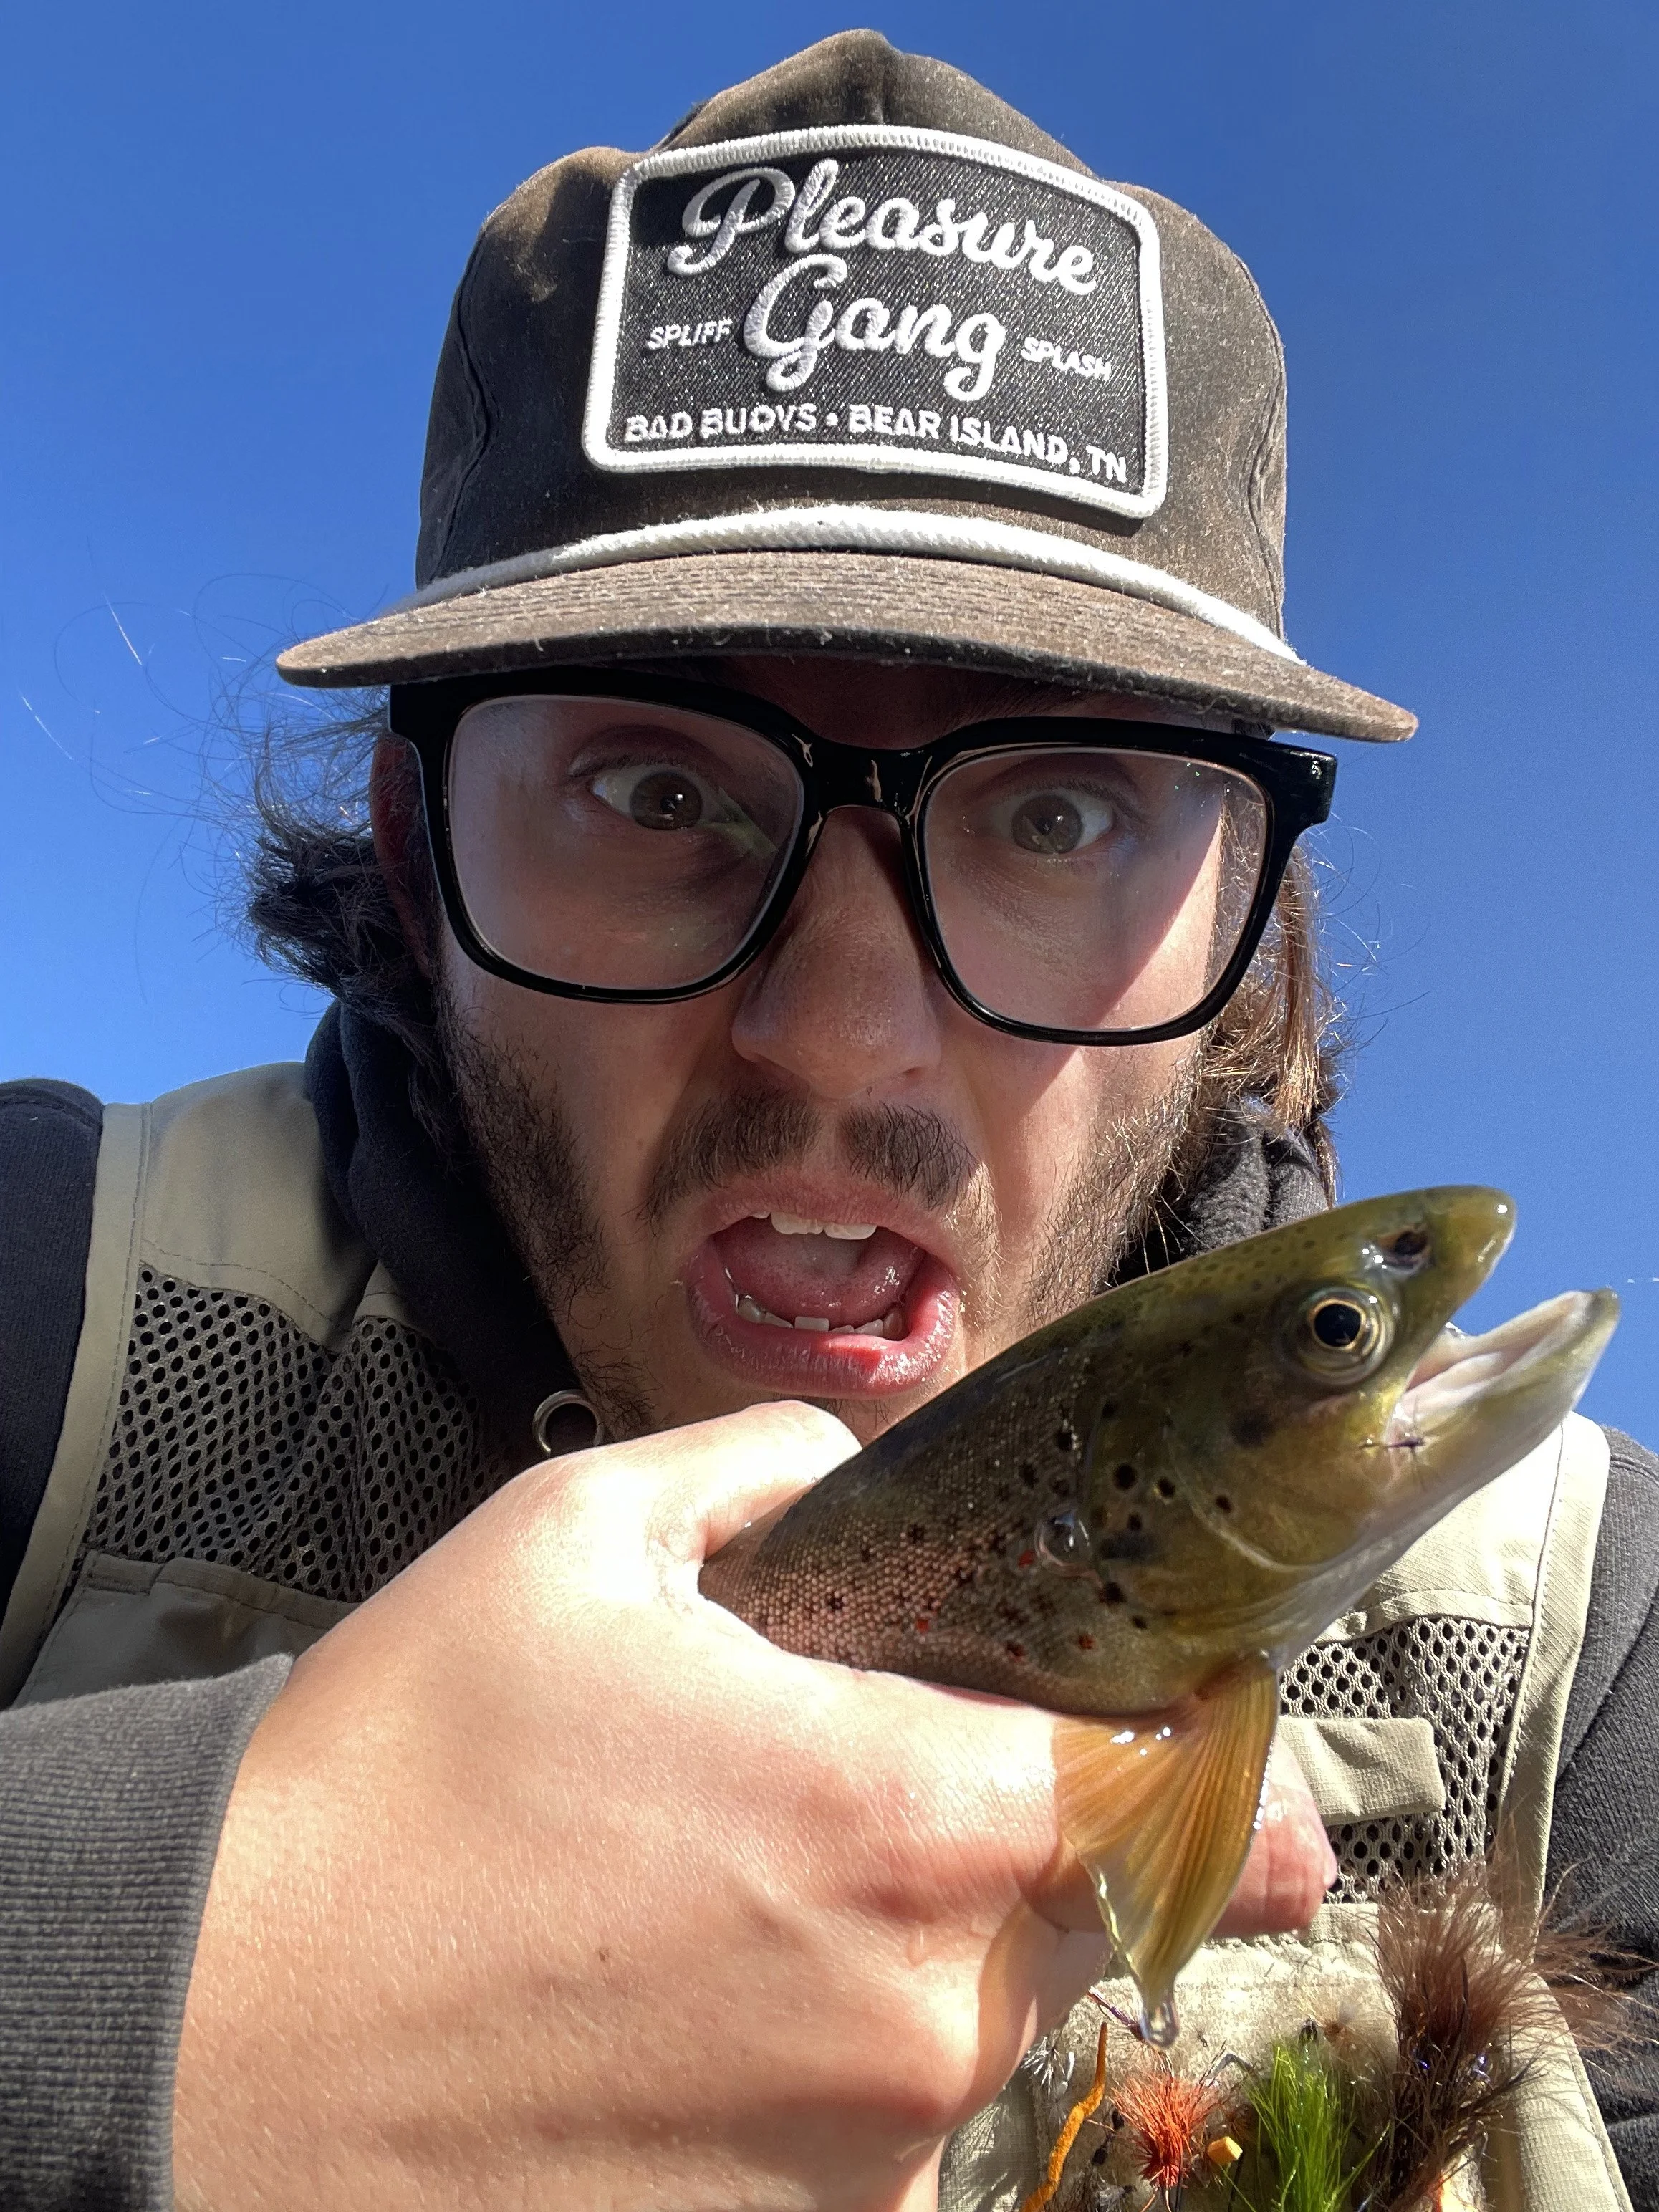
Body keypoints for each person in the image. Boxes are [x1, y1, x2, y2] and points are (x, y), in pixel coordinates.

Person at [0, 30, 1653, 2210]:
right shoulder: (52, 1317)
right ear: (417, 863)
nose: (843, 1039)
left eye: (1058, 814)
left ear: (1232, 951)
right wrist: (123, 1992)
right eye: (659, 793)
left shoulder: (1583, 1651)